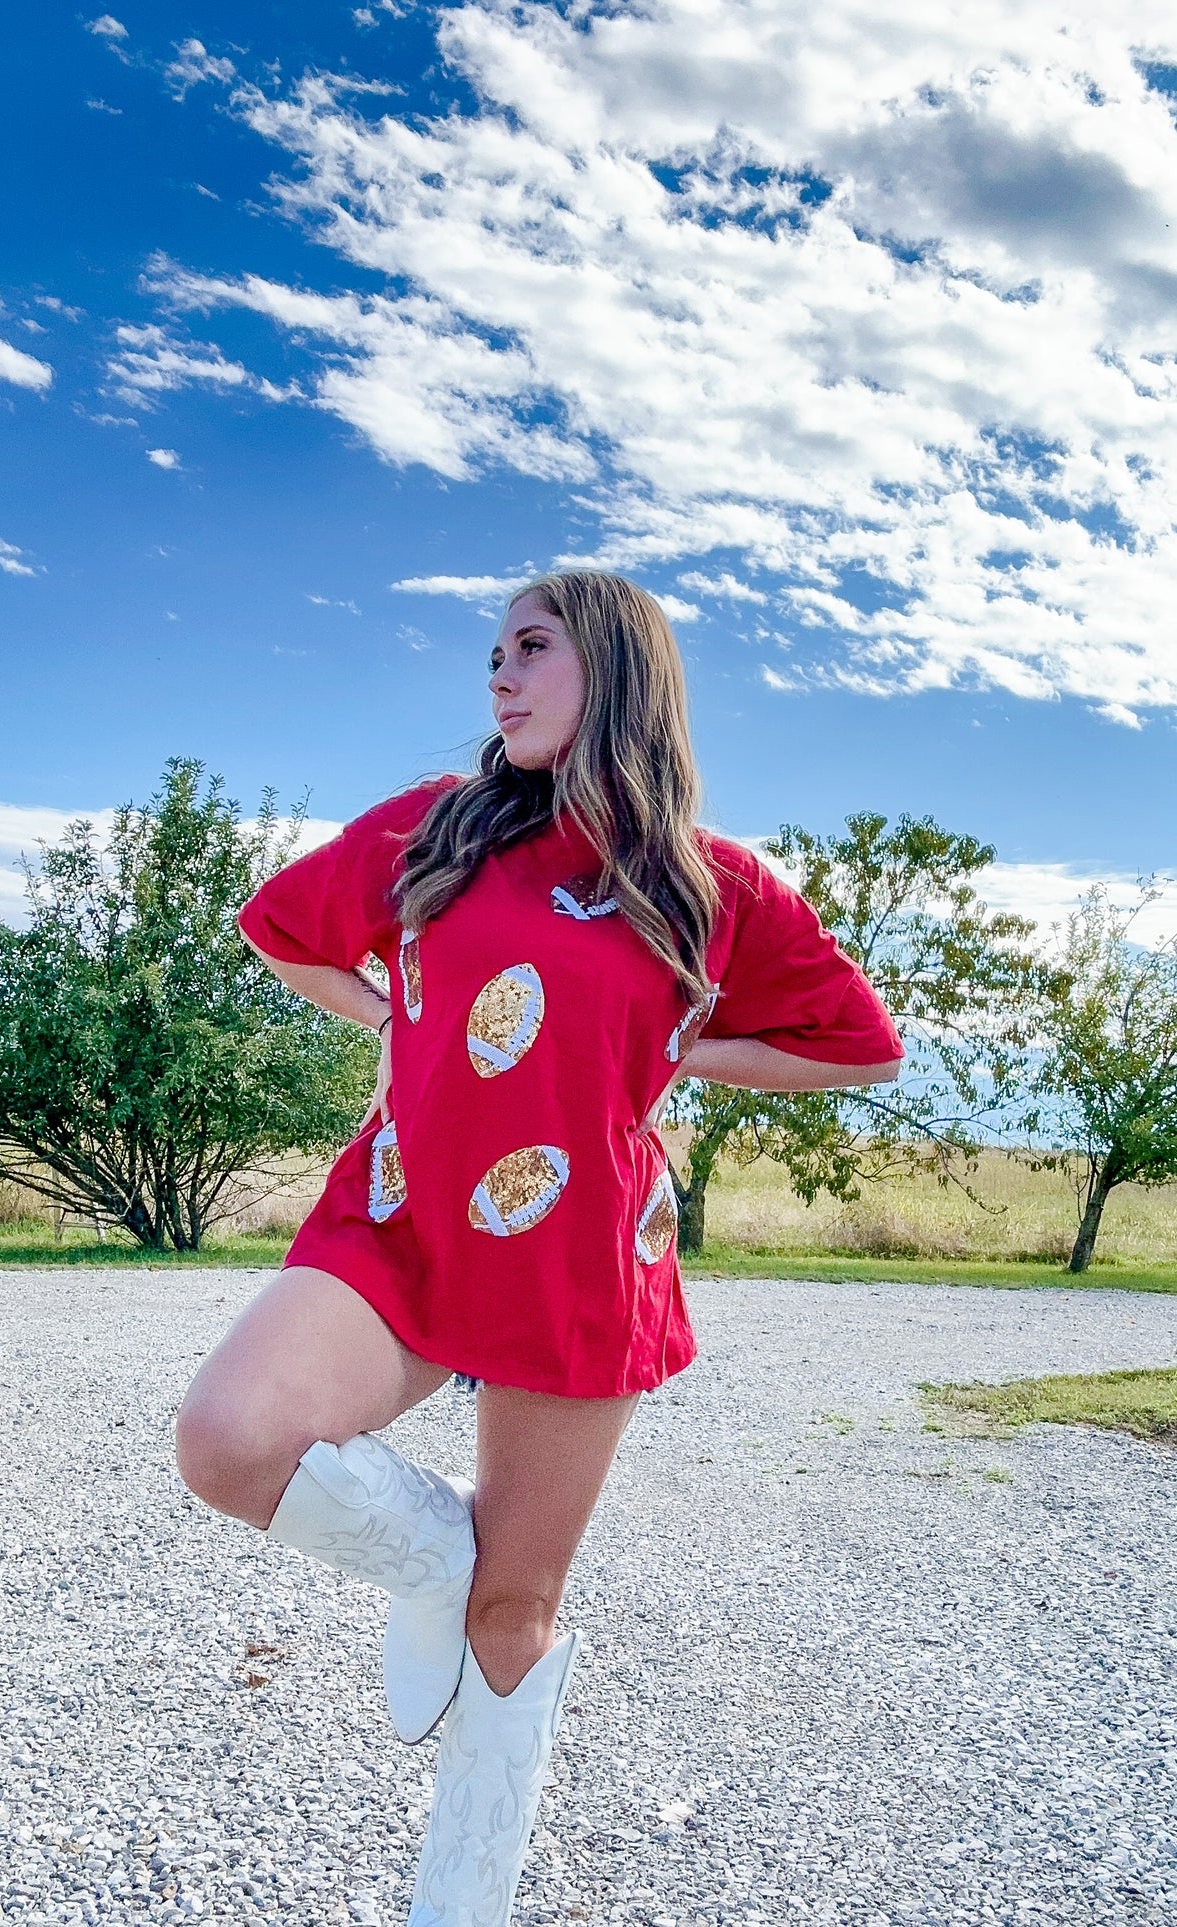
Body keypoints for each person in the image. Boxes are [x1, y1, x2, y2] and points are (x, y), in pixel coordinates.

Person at [175, 570, 903, 1924]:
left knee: (515, 1616)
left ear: (615, 672)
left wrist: (684, 1041)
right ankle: (438, 1558)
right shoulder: (435, 830)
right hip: (398, 1219)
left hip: (581, 1255)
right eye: (490, 654)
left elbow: (858, 1046)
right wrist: (388, 1011)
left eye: (528, 650)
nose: (496, 677)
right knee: (230, 1439)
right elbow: (280, 930)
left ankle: (466, 1902)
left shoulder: (708, 882)